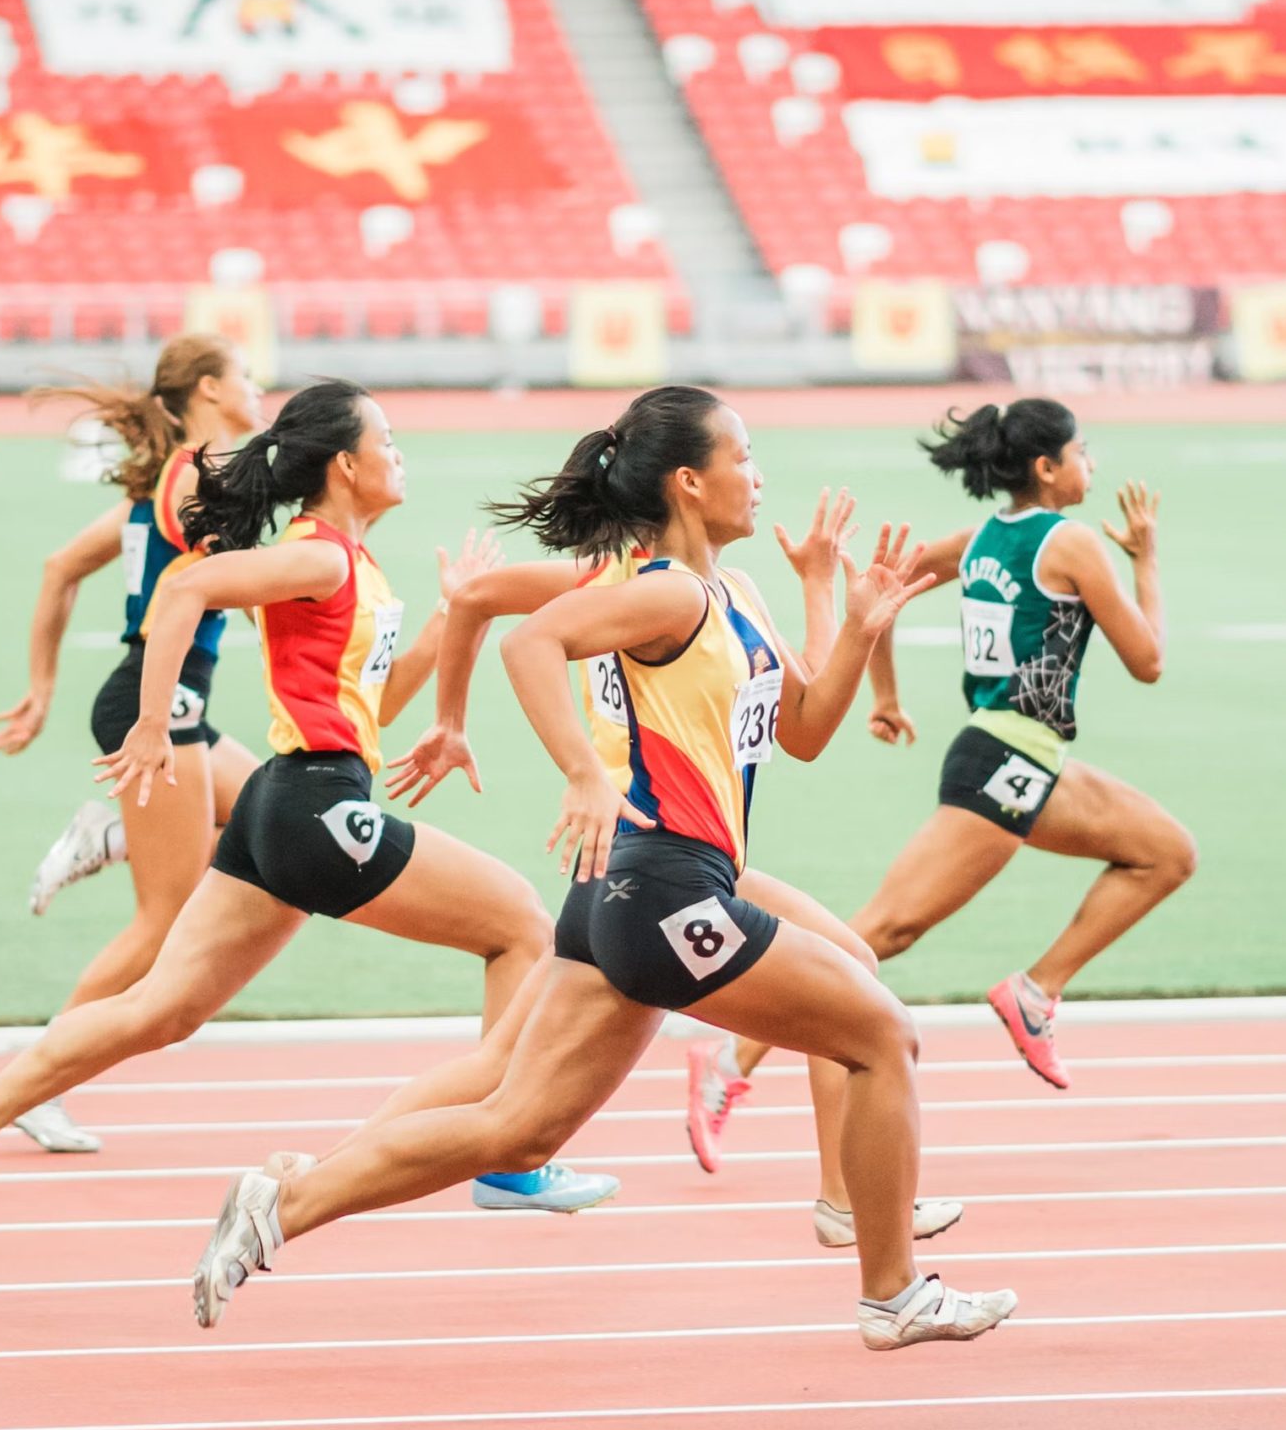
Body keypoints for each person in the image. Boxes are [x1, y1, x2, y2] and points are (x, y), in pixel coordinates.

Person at [184, 383, 1016, 1351]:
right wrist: (581, 771)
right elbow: (532, 641)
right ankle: (892, 1289)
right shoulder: (662, 589)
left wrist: (846, 610)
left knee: (517, 1129)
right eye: (743, 457)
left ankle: (282, 1202)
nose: (760, 474)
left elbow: (806, 730)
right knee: (878, 1033)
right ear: (691, 482)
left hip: (646, 889)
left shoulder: (733, 594)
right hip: (661, 882)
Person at [0, 381, 613, 1238]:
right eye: (389, 437)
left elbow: (368, 712)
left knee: (163, 1009)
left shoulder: (352, 565)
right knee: (521, 928)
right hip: (313, 807)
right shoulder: (320, 556)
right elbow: (184, 593)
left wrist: (446, 629)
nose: (400, 450)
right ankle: (508, 1159)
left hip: (287, 797)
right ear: (347, 464)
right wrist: (154, 724)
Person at [386, 490, 961, 1247]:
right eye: (741, 461)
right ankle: (319, 1177)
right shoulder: (619, 588)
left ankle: (847, 1202)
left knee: (850, 966)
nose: (754, 480)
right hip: (642, 842)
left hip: (692, 846)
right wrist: (455, 724)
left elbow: (800, 707)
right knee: (512, 1099)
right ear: (675, 487)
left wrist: (819, 588)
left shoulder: (713, 590)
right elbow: (479, 602)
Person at [689, 397, 1195, 1131]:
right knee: (877, 935)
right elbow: (1147, 659)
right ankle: (729, 1064)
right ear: (1047, 468)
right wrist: (1145, 559)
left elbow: (883, 585)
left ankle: (1036, 990)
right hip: (1006, 762)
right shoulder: (1073, 543)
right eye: (1083, 453)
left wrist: (886, 696)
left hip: (1019, 755)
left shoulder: (979, 538)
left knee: (1165, 852)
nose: (1092, 466)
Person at [0, 335, 265, 1151]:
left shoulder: (163, 483)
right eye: (245, 375)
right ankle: (40, 1078)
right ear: (211, 388)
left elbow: (59, 565)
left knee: (268, 821)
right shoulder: (196, 487)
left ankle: (111, 832)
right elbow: (245, 590)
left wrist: (42, 688)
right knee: (163, 919)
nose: (257, 386)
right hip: (156, 711)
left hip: (167, 707)